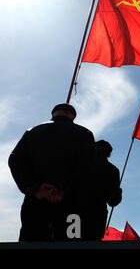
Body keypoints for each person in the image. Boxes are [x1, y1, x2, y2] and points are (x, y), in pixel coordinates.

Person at [8, 103, 96, 241]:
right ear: (73, 116)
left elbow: (14, 160)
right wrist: (63, 190)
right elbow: (89, 168)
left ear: (53, 113)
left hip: (36, 201)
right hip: (72, 204)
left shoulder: (32, 131)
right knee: (72, 243)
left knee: (30, 243)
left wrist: (35, 188)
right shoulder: (86, 134)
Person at [81, 140, 122, 240]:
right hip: (97, 215)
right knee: (93, 243)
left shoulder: (81, 166)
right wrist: (118, 192)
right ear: (109, 154)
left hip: (77, 213)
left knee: (72, 243)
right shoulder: (112, 170)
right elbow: (113, 201)